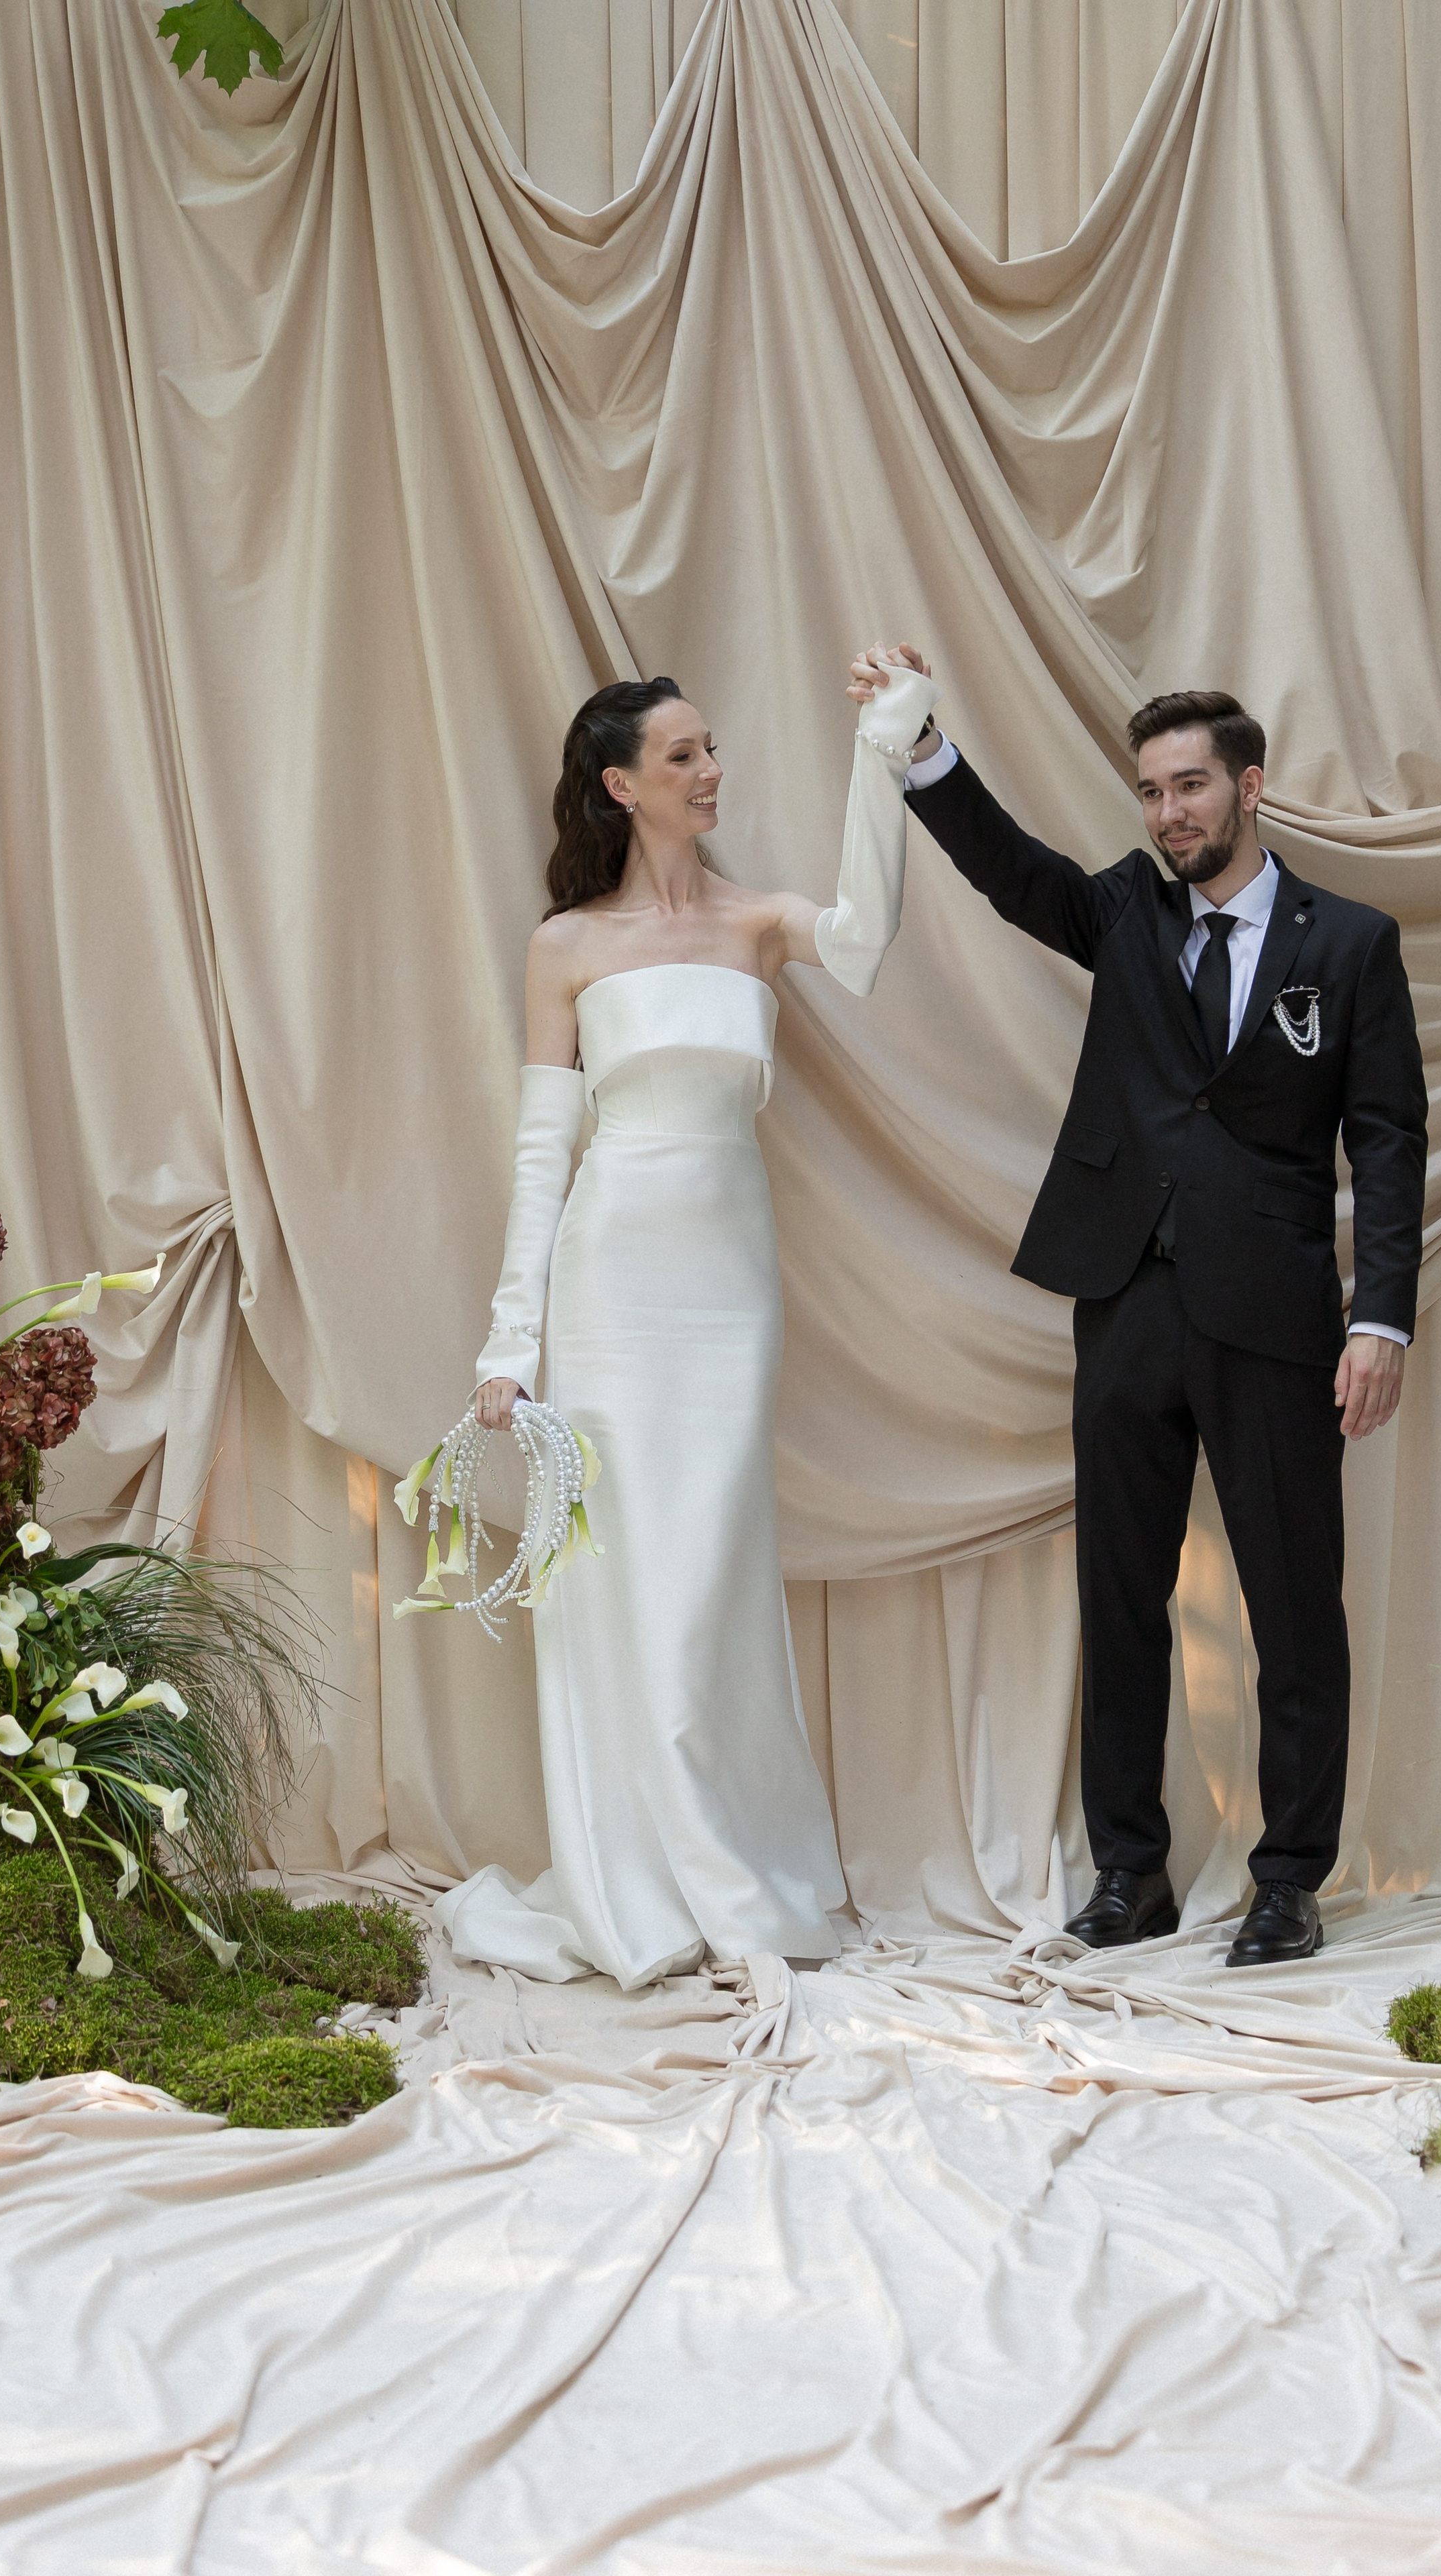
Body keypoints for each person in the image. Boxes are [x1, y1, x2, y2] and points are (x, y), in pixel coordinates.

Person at [850, 645, 1427, 1966]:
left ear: (1247, 787)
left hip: (1275, 1310)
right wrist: (919, 746)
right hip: (1122, 1299)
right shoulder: (1121, 910)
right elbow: (1012, 873)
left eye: (1188, 788)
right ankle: (1128, 1874)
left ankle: (1287, 1883)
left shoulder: (1346, 944)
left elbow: (1385, 1140)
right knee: (1119, 1600)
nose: (1166, 814)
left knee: (1292, 1605)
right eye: (1149, 793)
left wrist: (1375, 1317)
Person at [435, 657, 939, 1988]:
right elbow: (545, 1155)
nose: (711, 770)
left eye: (712, 749)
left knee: (709, 1570)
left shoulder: (757, 922)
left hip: (730, 1288)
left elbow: (869, 938)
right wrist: (507, 1347)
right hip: (611, 1288)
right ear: (619, 786)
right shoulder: (568, 945)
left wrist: (880, 757)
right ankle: (639, 1883)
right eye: (682, 757)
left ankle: (731, 1861)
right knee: (620, 1576)